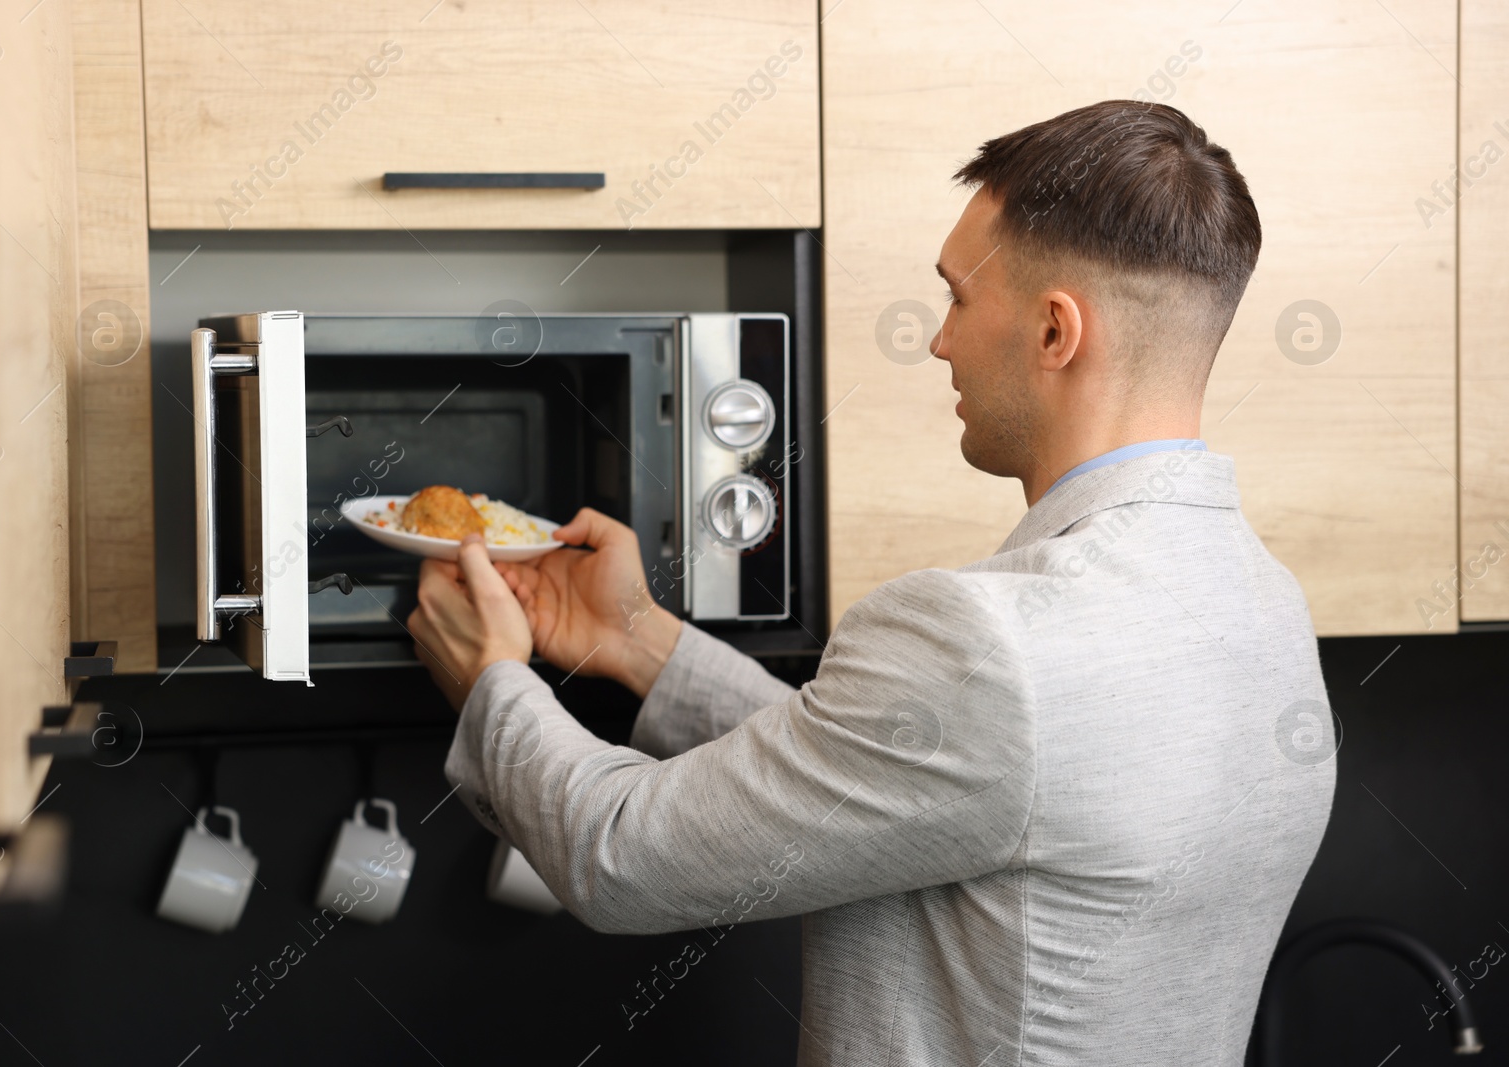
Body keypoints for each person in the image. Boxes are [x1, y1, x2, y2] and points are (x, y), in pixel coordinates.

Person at [407, 99, 1337, 1066]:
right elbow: (911, 776)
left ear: (1057, 331)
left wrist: (492, 681)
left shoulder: (989, 641)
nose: (940, 342)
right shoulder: (1263, 603)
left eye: (958, 298)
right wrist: (639, 637)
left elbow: (621, 856)